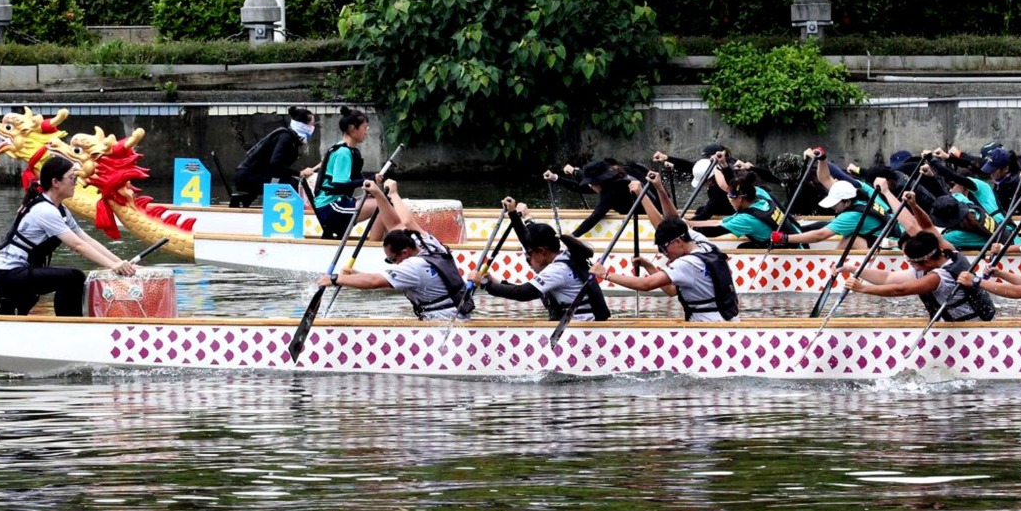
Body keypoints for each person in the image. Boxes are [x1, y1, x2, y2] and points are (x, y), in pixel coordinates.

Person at [0, 155, 136, 317]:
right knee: (72, 277)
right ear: (55, 182)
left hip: (20, 272)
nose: (75, 183)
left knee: (73, 277)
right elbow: (77, 245)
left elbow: (85, 239)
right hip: (8, 275)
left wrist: (119, 263)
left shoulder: (60, 210)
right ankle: (70, 325)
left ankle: (71, 322)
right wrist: (112, 265)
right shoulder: (45, 211)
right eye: (72, 178)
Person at [317, 186, 474, 321]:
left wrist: (336, 279)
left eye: (392, 259)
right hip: (459, 314)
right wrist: (378, 194)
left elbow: (374, 282)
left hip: (444, 322)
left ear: (404, 253)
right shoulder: (430, 244)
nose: (393, 263)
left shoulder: (413, 266)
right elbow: (396, 224)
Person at [468, 198, 611, 321]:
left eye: (529, 256)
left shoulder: (558, 270)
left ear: (542, 251)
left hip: (584, 329)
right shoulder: (567, 255)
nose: (529, 262)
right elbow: (528, 240)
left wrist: (485, 284)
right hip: (583, 324)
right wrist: (513, 214)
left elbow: (523, 293)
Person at [589, 217, 740, 321]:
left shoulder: (686, 264)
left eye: (664, 248)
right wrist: (649, 266)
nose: (665, 254)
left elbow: (645, 285)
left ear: (678, 241)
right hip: (730, 319)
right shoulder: (706, 246)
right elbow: (672, 290)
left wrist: (606, 274)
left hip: (706, 327)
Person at [837, 230, 995, 322]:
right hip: (959, 322)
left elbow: (899, 290)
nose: (910, 266)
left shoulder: (937, 277)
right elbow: (887, 278)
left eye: (912, 263)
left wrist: (863, 289)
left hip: (972, 327)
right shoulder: (949, 253)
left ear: (925, 261)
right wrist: (852, 269)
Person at [231, 106, 317, 207]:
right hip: (248, 177)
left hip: (256, 175)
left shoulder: (291, 138)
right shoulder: (286, 137)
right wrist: (299, 173)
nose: (313, 127)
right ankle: (288, 211)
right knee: (293, 184)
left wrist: (297, 173)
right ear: (303, 125)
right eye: (311, 124)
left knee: (293, 181)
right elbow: (275, 164)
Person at [312, 107, 374, 239]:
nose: (366, 132)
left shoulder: (345, 149)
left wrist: (373, 181)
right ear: (353, 129)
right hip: (330, 207)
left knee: (382, 200)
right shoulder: (343, 153)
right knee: (382, 205)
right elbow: (339, 185)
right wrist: (367, 181)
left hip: (336, 203)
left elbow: (357, 178)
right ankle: (376, 245)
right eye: (365, 128)